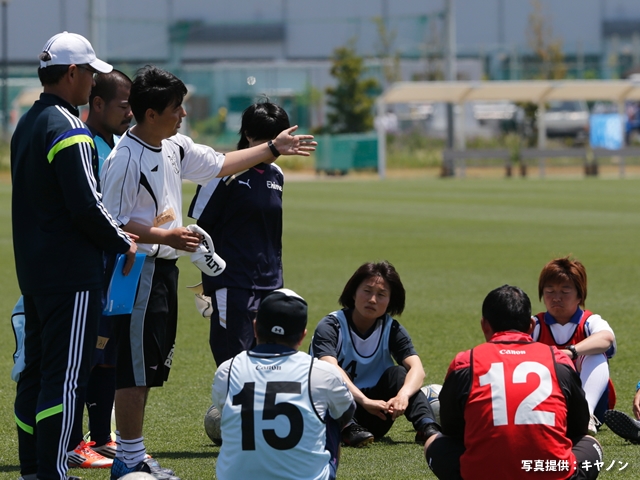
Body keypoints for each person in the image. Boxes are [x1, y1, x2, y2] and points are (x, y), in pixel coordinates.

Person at [100, 65, 316, 480]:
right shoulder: (124, 159)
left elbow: (220, 162)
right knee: (135, 366)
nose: (182, 114)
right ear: (150, 113)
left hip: (163, 270)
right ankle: (128, 457)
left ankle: (133, 453)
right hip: (137, 270)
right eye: (176, 107)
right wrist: (166, 234)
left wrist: (273, 147)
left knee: (149, 366)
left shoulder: (172, 145)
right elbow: (111, 220)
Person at [11, 31, 137, 480]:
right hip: (71, 276)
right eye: (90, 72)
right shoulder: (69, 128)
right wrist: (124, 241)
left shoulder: (27, 123)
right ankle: (53, 474)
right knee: (65, 380)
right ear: (71, 73)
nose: (92, 82)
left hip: (35, 274)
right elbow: (87, 205)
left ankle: (33, 470)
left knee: (36, 376)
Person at [425, 285, 602, 480]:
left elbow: (451, 429)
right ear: (531, 327)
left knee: (434, 442)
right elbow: (577, 426)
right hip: (551, 474)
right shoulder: (558, 360)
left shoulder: (465, 362)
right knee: (591, 443)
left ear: (484, 325)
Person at [66, 69, 135, 469]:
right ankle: (73, 441)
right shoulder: (83, 142)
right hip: (92, 265)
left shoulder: (117, 142)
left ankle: (101, 436)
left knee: (110, 354)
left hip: (120, 265)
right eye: (124, 106)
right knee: (87, 354)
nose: (130, 114)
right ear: (97, 104)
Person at [212, 288, 355, 480]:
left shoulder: (227, 370)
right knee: (332, 412)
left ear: (255, 327)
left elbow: (222, 408)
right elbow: (346, 413)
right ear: (302, 336)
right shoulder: (322, 372)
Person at [188, 101, 288, 367]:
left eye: (277, 138)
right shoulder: (222, 172)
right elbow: (199, 230)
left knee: (267, 361)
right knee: (233, 359)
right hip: (233, 284)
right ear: (248, 136)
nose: (274, 146)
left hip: (270, 284)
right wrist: (210, 281)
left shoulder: (277, 175)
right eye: (267, 139)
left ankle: (253, 410)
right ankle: (224, 409)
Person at [311, 261, 440, 447]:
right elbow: (328, 365)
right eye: (367, 291)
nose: (372, 300)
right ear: (353, 292)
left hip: (377, 413)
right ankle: (349, 428)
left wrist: (402, 395)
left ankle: (427, 426)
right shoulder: (331, 326)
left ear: (390, 302)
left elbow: (417, 369)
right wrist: (364, 401)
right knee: (333, 375)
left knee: (398, 374)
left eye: (381, 295)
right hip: (335, 414)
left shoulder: (392, 329)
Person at [532, 256, 617, 434]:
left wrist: (570, 352)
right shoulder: (535, 325)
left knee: (595, 352)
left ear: (579, 295)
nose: (556, 297)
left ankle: (586, 416)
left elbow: (607, 339)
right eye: (550, 290)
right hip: (547, 404)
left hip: (594, 406)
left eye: (565, 291)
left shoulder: (590, 321)